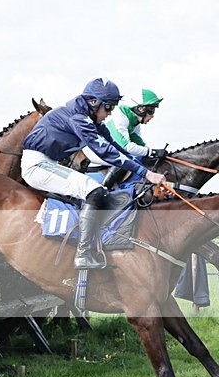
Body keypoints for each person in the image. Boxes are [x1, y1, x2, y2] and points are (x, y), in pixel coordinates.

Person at [21, 77, 168, 269]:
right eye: (108, 107)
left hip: (48, 162)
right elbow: (106, 152)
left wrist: (146, 169)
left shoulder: (90, 118)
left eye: (113, 107)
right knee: (94, 190)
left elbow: (116, 147)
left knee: (96, 190)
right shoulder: (78, 119)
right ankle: (83, 255)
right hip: (36, 165)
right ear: (94, 102)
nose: (110, 113)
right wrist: (146, 174)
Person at [83, 88, 167, 172]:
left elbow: (140, 145)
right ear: (141, 109)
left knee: (137, 159)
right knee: (126, 159)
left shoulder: (134, 122)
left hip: (107, 151)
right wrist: (152, 152)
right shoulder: (120, 116)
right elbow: (126, 147)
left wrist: (155, 153)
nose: (152, 116)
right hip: (93, 152)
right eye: (151, 110)